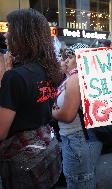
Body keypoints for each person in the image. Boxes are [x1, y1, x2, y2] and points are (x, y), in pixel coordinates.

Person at [0, 8, 62, 188]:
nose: (5, 34)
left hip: (21, 161)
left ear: (23, 35)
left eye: (10, 29)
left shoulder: (15, 77)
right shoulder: (49, 70)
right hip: (48, 152)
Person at [52, 43, 103, 189]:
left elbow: (68, 115)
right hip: (74, 138)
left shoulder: (76, 78)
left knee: (79, 181)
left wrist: (50, 110)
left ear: (81, 58)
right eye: (65, 57)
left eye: (70, 56)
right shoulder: (72, 76)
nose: (66, 60)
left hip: (76, 139)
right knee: (83, 179)